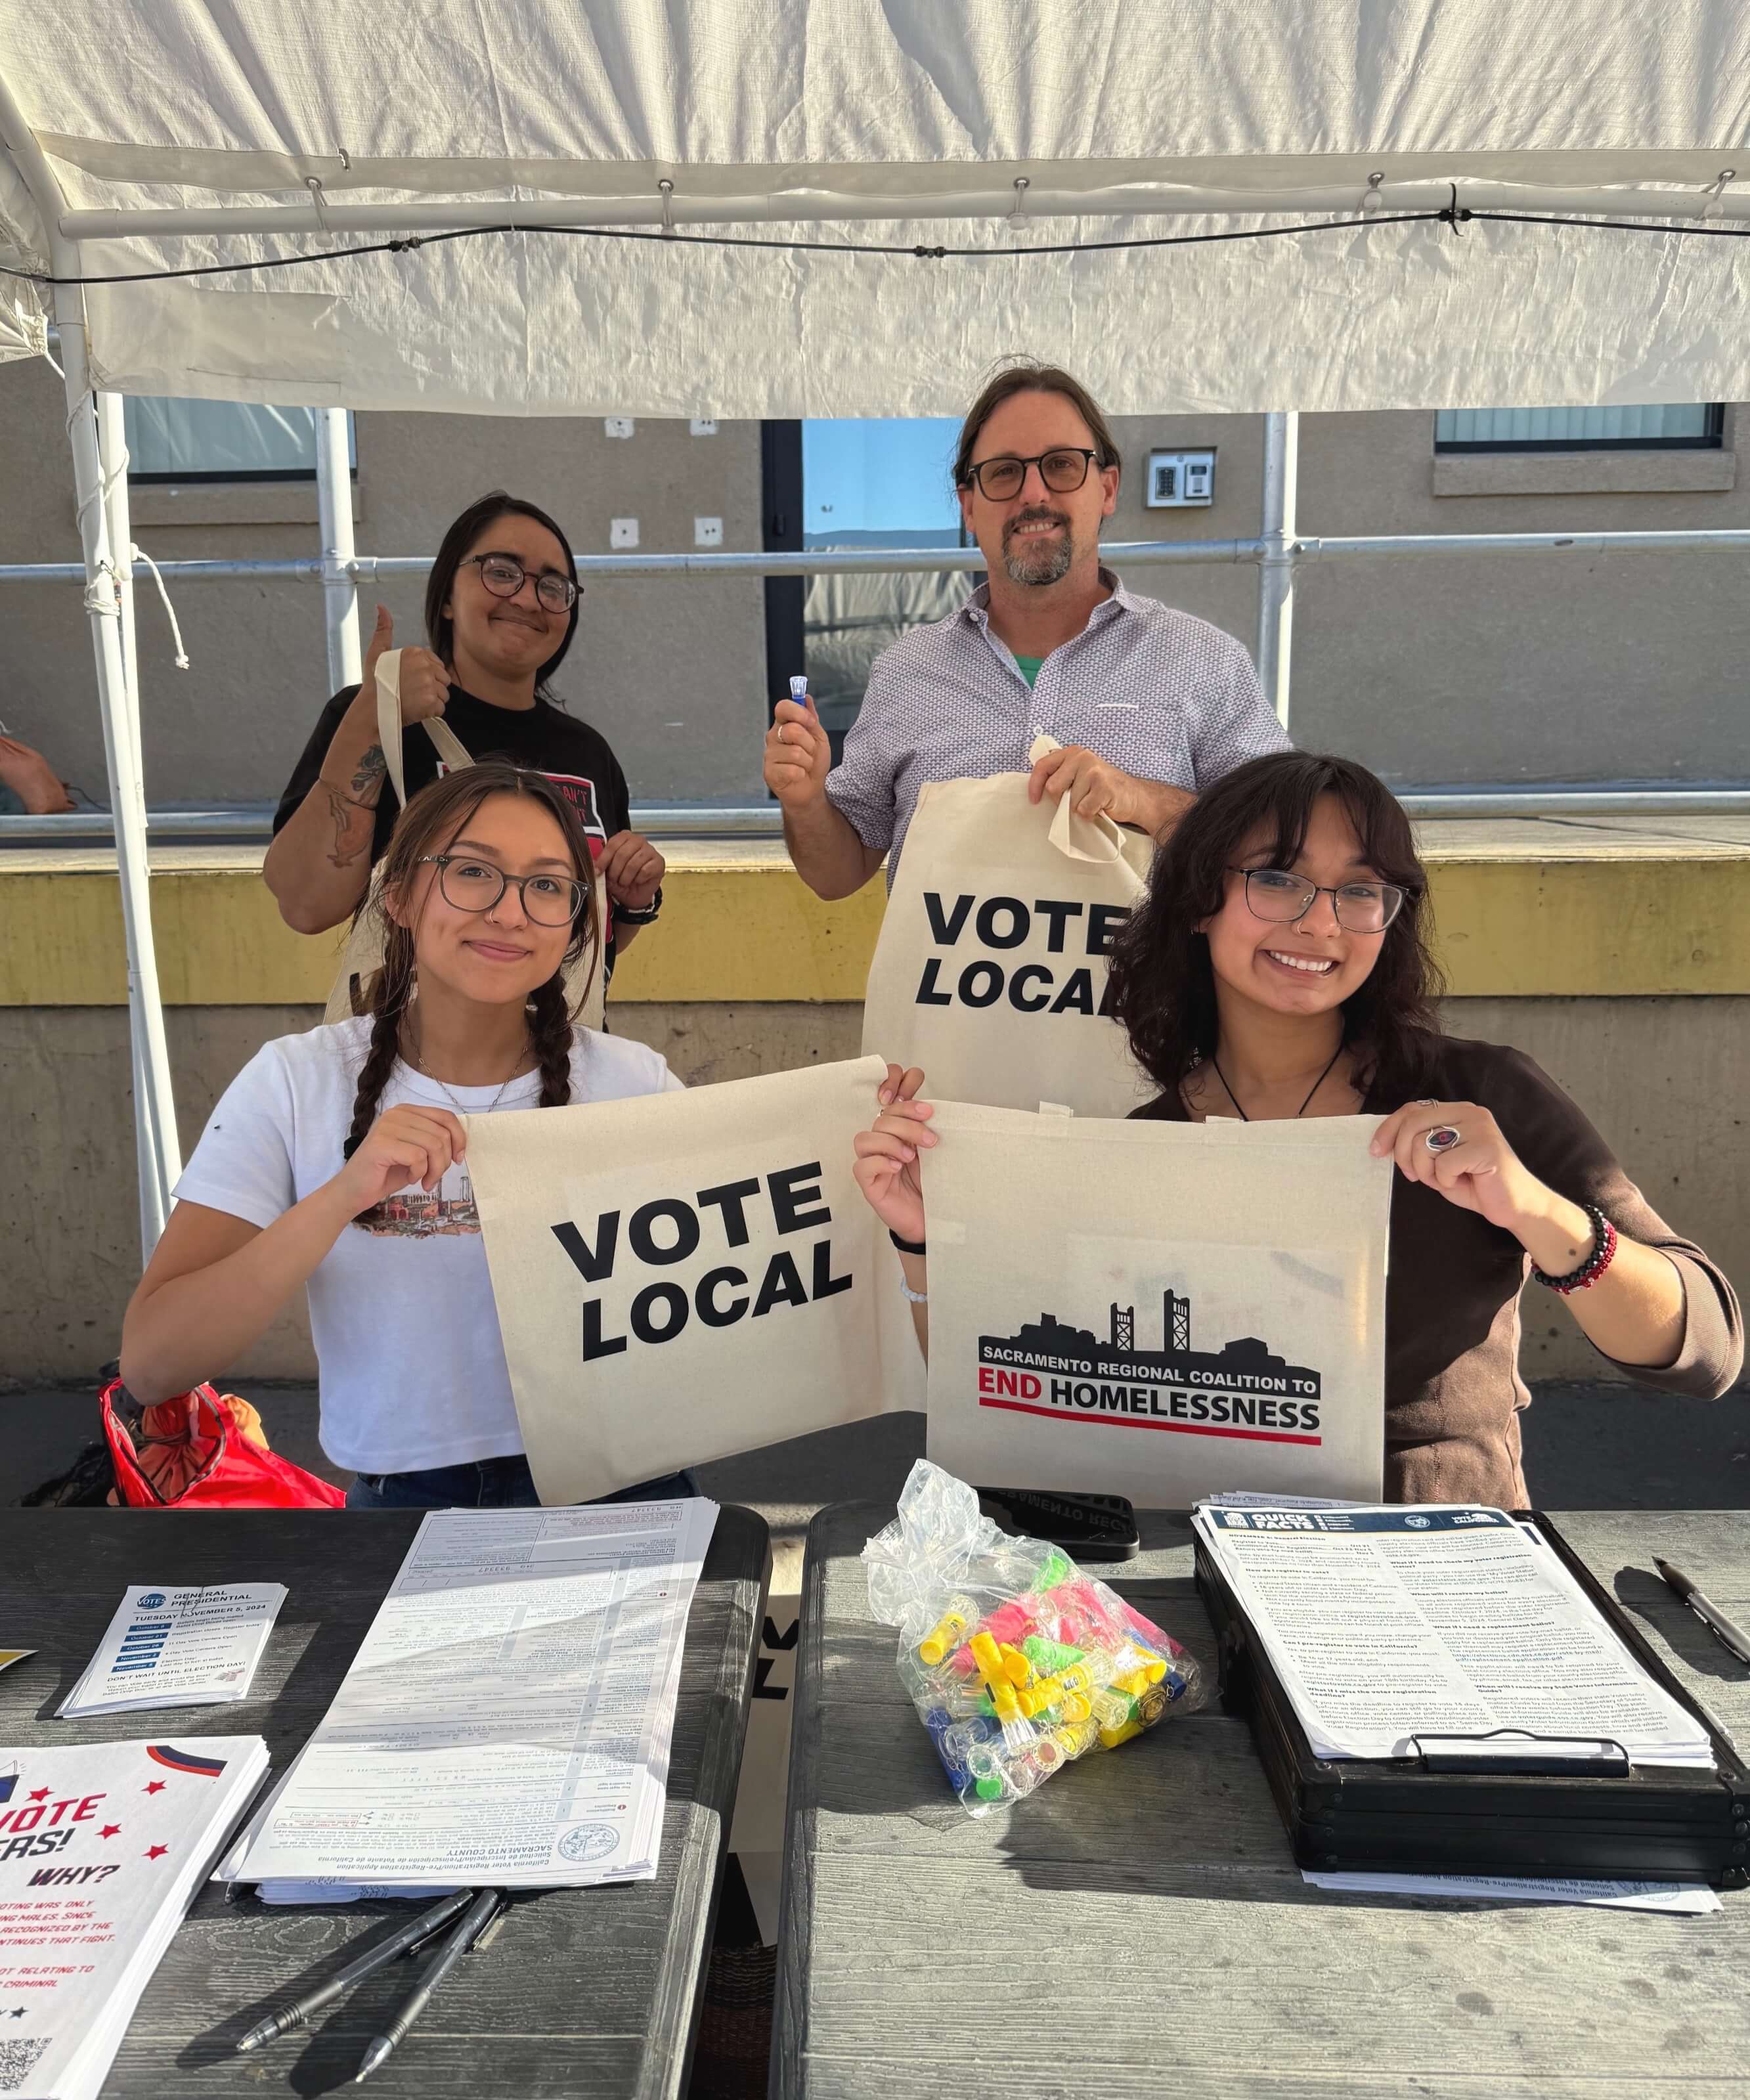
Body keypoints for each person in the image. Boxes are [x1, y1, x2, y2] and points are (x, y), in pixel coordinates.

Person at [854, 751, 1743, 1506]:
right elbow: (1028, 1402)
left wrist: (1538, 1214)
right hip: (1209, 1571)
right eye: (1276, 879)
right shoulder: (1147, 1139)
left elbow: (1703, 1349)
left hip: (1445, 1570)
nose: (1319, 922)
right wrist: (924, 1238)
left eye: (1360, 890)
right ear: (1200, 899)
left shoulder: (1474, 1096)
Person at [123, 761, 686, 1509]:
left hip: (625, 1486)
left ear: (578, 923)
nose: (511, 912)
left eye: (548, 885)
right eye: (472, 871)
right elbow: (154, 1363)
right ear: (398, 898)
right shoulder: (298, 1081)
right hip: (404, 1502)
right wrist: (342, 1195)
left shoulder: (635, 1086)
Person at [764, 360, 1290, 898]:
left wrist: (1145, 802)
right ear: (969, 506)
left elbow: (1280, 845)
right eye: (1003, 472)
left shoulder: (1203, 660)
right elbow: (836, 875)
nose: (1033, 493)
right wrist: (804, 803)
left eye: (1061, 465)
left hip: (1148, 987)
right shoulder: (905, 671)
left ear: (1107, 488)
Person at [265, 491, 665, 986]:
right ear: (448, 596)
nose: (525, 597)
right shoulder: (375, 718)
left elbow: (588, 941)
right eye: (501, 571)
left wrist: (632, 898)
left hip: (561, 1052)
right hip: (414, 1054)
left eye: (553, 585)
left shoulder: (588, 752)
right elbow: (306, 906)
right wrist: (371, 721)